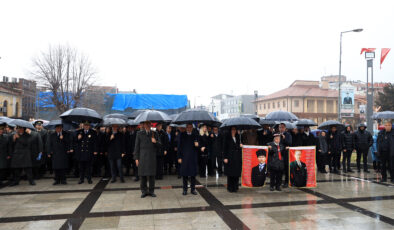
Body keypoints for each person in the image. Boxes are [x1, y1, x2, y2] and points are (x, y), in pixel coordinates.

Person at [134, 121, 161, 198]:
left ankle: (151, 191)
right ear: (144, 125)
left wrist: (155, 142)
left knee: (152, 176)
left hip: (152, 157)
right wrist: (136, 158)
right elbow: (136, 147)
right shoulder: (139, 134)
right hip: (142, 157)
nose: (148, 125)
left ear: (151, 125)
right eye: (146, 124)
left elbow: (160, 145)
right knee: (143, 176)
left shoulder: (154, 133)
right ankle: (144, 191)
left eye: (149, 124)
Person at [177, 124, 199, 195]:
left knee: (193, 174)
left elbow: (199, 147)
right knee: (185, 174)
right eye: (188, 127)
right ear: (186, 128)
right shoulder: (182, 135)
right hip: (184, 157)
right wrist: (179, 157)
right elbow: (179, 146)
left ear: (192, 128)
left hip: (193, 157)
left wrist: (197, 145)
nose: (189, 128)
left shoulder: (195, 135)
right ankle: (185, 189)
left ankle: (193, 189)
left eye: (190, 127)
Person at [223, 127, 243, 193]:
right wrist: (225, 157)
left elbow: (238, 148)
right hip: (230, 157)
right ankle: (230, 187)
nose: (234, 131)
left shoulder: (238, 137)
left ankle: (235, 186)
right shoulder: (227, 138)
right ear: (230, 130)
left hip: (237, 158)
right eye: (232, 129)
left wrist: (240, 146)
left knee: (236, 173)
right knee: (230, 173)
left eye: (235, 129)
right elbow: (224, 148)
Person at [278, 123, 292, 187]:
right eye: (280, 127)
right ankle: (279, 182)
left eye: (282, 127)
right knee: (279, 169)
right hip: (278, 153)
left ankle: (286, 182)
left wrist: (284, 138)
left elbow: (289, 143)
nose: (281, 129)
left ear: (285, 128)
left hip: (285, 154)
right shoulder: (276, 134)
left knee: (286, 169)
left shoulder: (288, 134)